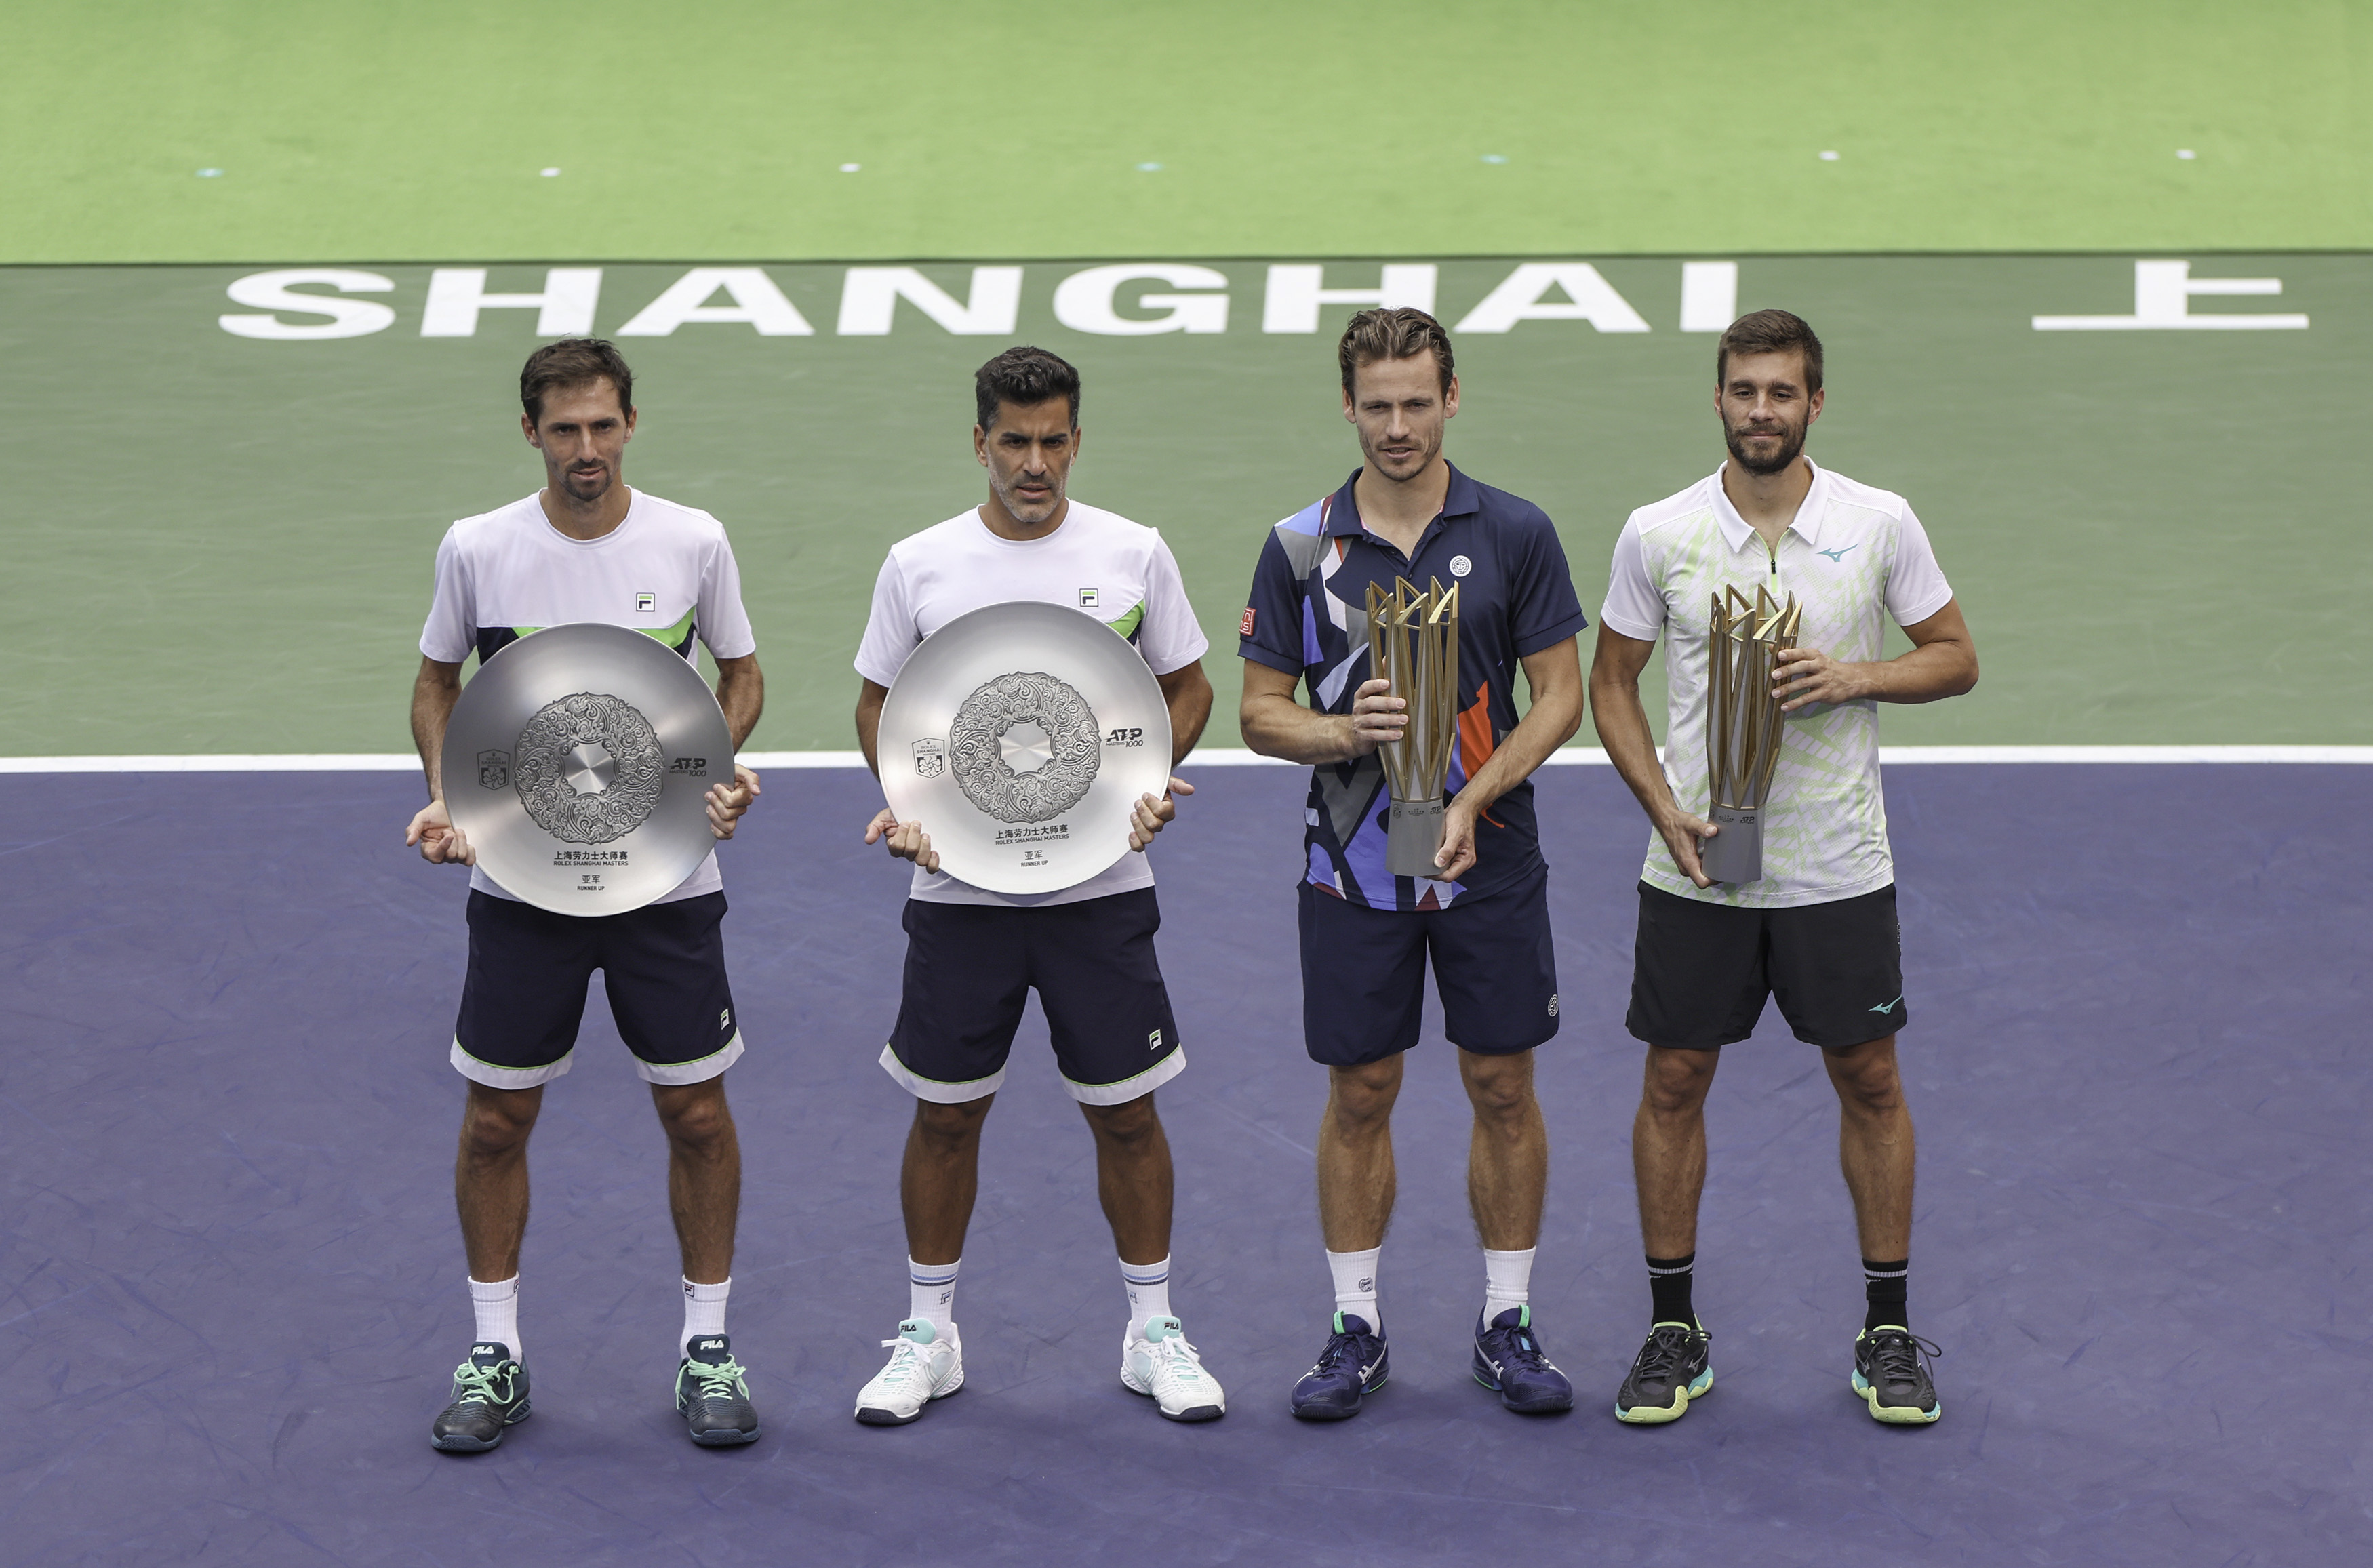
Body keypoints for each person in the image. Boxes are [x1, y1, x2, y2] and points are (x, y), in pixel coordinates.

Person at [1588, 308, 1978, 1426]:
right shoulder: (1659, 532)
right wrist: (1663, 809)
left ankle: (1889, 1330)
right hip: (1700, 867)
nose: (1762, 409)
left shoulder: (1879, 522)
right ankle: (1674, 1328)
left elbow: (1955, 657)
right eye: (1744, 390)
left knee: (1869, 1080)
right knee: (1674, 1083)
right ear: (1718, 398)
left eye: (1783, 392)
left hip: (1836, 866)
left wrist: (1857, 677)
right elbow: (1611, 680)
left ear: (1815, 403)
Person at [848, 345, 1226, 1425]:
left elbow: (1188, 687)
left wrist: (1144, 780)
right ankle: (930, 1331)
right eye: (1013, 442)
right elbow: (879, 707)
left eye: (1054, 440)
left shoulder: (1133, 553)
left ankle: (1153, 1329)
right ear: (979, 443)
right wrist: (911, 807)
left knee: (1126, 1116)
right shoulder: (920, 564)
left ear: (1076, 439)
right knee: (947, 1116)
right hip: (957, 895)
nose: (1035, 462)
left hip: (1100, 887)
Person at [404, 339, 767, 1451]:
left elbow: (740, 674)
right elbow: (436, 683)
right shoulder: (478, 548)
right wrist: (446, 794)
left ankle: (707, 1345)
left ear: (631, 423)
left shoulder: (692, 540)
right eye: (564, 430)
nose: (587, 450)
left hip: (667, 879)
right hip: (522, 880)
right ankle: (494, 1351)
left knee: (696, 1109)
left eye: (604, 426)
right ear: (531, 434)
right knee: (499, 1114)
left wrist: (718, 758)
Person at [1238, 308, 1588, 1420]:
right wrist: (1348, 733)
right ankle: (1357, 1328)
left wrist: (1477, 794)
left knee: (1502, 1084)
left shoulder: (1518, 530)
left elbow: (1562, 695)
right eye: (1377, 404)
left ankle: (1507, 1319)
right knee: (1362, 1090)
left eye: (1416, 401)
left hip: (1489, 857)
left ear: (1451, 397)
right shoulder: (1301, 545)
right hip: (1351, 867)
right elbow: (1258, 713)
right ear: (1348, 405)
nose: (1398, 425)